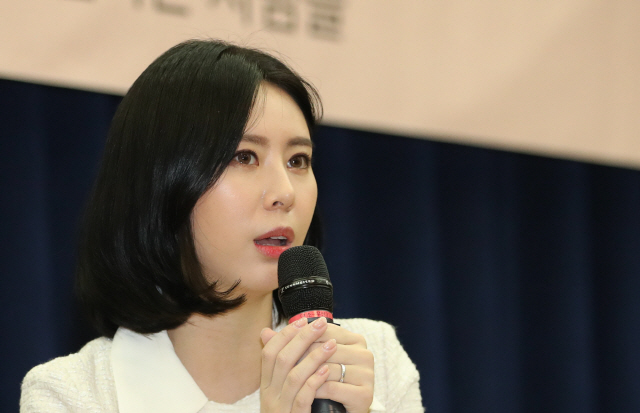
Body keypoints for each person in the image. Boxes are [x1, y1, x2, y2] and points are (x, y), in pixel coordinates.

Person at [20, 39, 424, 413]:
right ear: (161, 181)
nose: (284, 192)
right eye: (244, 157)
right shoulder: (73, 394)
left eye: (298, 160)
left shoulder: (370, 359)